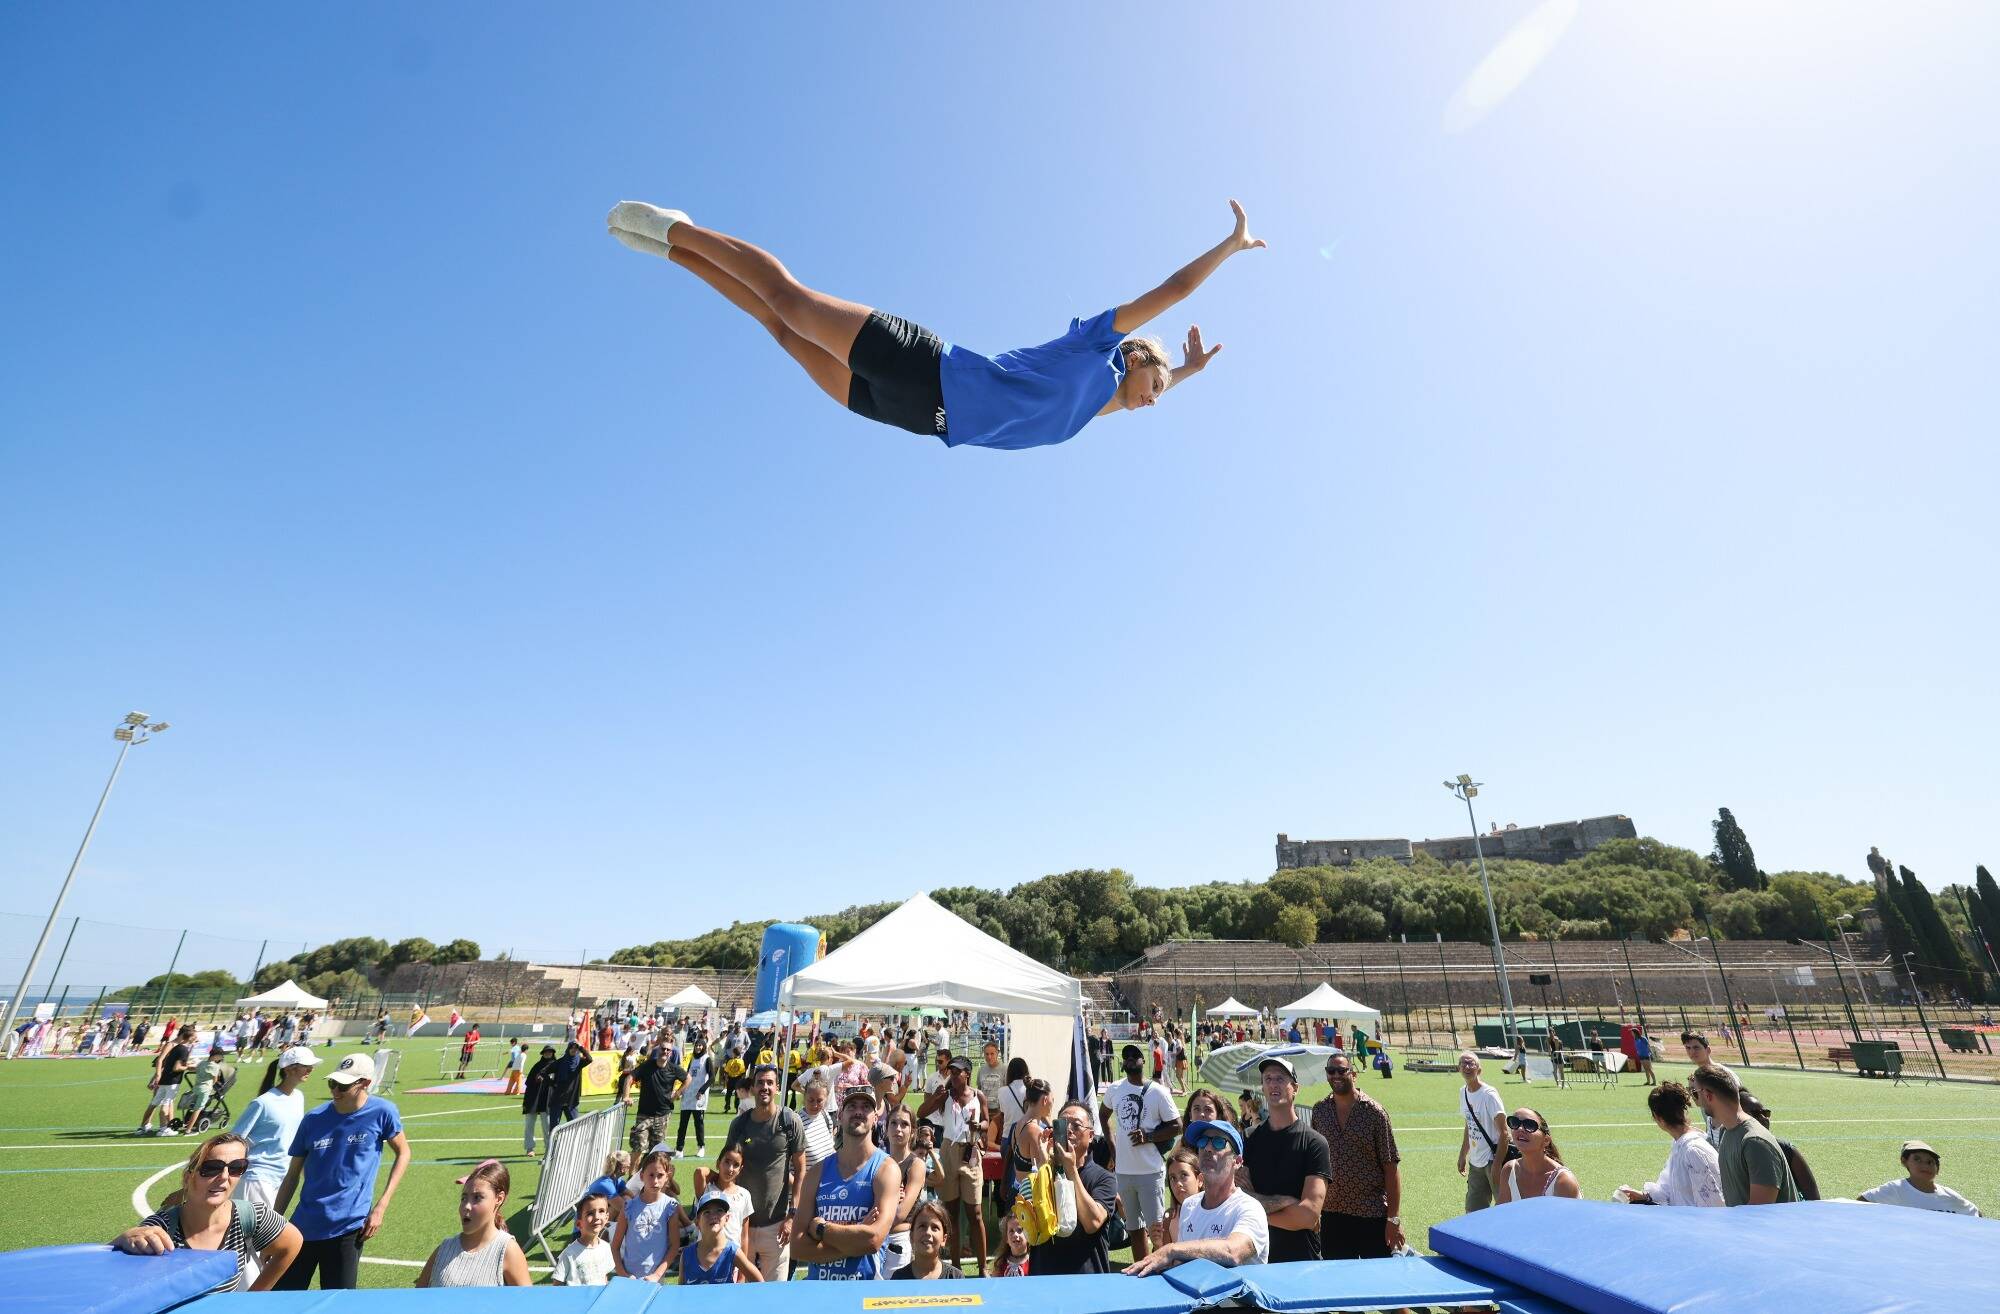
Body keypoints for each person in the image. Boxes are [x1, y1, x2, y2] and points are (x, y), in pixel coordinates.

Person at [605, 199, 1265, 453]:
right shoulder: (1098, 347)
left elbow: (1149, 392)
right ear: (1138, 355)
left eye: (1162, 394)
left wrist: (1191, 372)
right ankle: (682, 227)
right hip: (929, 366)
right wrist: (1228, 248)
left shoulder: (1098, 410)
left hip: (917, 418)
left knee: (780, 333)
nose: (1158, 395)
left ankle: (672, 252)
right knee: (790, 302)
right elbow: (1174, 290)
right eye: (1159, 377)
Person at [273, 1051, 410, 1290]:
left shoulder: (383, 1112)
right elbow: (292, 1176)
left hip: (348, 1227)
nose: (335, 1092)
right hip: (303, 1225)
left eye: (343, 1086)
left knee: (339, 1303)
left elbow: (404, 1153)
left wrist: (381, 1206)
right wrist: (274, 1225)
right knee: (284, 1299)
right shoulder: (313, 1119)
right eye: (332, 1084)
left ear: (365, 1084)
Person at [112, 1131, 302, 1293]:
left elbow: (292, 1243)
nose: (224, 1177)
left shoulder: (250, 1216)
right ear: (188, 1178)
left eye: (236, 1168)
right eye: (211, 1169)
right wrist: (120, 1241)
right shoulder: (161, 1228)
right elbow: (102, 1275)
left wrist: (252, 1297)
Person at [1124, 1120, 1269, 1274]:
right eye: (1203, 1141)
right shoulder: (1189, 1205)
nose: (1207, 1148)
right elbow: (1183, 1264)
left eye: (1219, 1142)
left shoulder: (1250, 1208)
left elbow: (1233, 1252)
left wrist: (1171, 1249)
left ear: (1237, 1161)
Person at [791, 1084, 903, 1280]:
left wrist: (821, 1229)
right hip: (821, 1290)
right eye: (851, 1107)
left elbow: (873, 1240)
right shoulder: (817, 1171)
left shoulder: (886, 1169)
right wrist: (855, 1240)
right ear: (840, 1117)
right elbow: (797, 1247)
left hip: (863, 1292)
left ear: (876, 1118)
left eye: (866, 1107)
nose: (858, 1112)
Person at [1310, 1050, 1404, 1259]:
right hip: (1333, 1214)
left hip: (1371, 1214)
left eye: (1341, 1070)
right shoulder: (1320, 1112)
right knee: (1339, 1283)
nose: (1335, 1075)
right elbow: (1315, 1166)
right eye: (1330, 1071)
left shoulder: (1374, 1113)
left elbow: (1391, 1168)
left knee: (1377, 1282)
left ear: (1353, 1074)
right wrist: (1313, 1209)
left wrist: (1393, 1219)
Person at [1237, 1056, 1330, 1261]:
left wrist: (1258, 1211)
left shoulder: (1314, 1143)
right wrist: (1287, 1202)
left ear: (1295, 1088)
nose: (1272, 1084)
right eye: (1267, 1079)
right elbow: (1240, 1197)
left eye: (1280, 1078)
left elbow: (1308, 1215)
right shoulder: (1250, 1140)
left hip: (1301, 1258)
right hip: (1257, 1256)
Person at [1100, 1043, 1183, 1262]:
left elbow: (1177, 1125)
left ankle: (1164, 1271)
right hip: (1124, 1172)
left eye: (1134, 1055)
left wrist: (1149, 1137)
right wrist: (1112, 1148)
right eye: (1125, 1056)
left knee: (1157, 1231)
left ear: (1143, 1061)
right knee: (1134, 1229)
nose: (1129, 1059)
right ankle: (1141, 1271)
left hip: (1150, 1171)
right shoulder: (1115, 1089)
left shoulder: (1158, 1092)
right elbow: (1103, 1116)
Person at [723, 1064, 805, 1283]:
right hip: (742, 1224)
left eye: (770, 1083)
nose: (765, 1087)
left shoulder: (789, 1121)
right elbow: (727, 1167)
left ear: (777, 1088)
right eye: (760, 1082)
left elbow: (801, 1169)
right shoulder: (739, 1124)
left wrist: (792, 1215)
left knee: (775, 1296)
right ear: (753, 1088)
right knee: (740, 1294)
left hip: (777, 1225)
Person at [918, 1054, 989, 1274]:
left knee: (975, 1213)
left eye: (958, 1071)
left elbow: (988, 1122)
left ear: (968, 1073)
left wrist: (980, 1125)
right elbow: (921, 1113)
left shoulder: (978, 1096)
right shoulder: (946, 1095)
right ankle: (956, 1267)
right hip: (949, 1150)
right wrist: (935, 1098)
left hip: (971, 1151)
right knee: (951, 1214)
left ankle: (983, 1267)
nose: (954, 1075)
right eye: (952, 1071)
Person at [231, 1046, 320, 1216]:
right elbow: (234, 1139)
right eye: (306, 1065)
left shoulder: (298, 1097)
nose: (311, 1069)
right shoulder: (263, 1102)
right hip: (257, 1178)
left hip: (282, 1177)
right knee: (253, 1237)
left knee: (268, 1237)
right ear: (289, 1069)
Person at [416, 1160, 531, 1287]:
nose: (466, 1206)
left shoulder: (507, 1250)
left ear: (499, 1199)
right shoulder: (444, 1249)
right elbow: (417, 1300)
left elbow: (528, 1304)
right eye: (464, 1198)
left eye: (477, 1198)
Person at [1689, 1067, 1796, 1206]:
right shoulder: (1726, 1131)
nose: (1695, 1100)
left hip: (1761, 1227)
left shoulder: (1754, 1142)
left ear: (1708, 1095)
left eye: (1695, 1093)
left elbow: (1760, 1211)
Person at [1617, 1081, 1723, 1207]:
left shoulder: (1693, 1150)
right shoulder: (1680, 1143)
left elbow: (1713, 1204)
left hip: (1694, 1224)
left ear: (1658, 1118)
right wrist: (1644, 1195)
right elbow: (1669, 1187)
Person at [612, 1149, 684, 1282]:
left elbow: (674, 1245)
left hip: (656, 1280)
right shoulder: (629, 1207)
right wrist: (623, 1274)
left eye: (660, 1175)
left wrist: (657, 1275)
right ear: (641, 1176)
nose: (655, 1181)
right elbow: (615, 1246)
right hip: (629, 1278)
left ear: (667, 1177)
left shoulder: (670, 1206)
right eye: (651, 1175)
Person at [1858, 1140, 1982, 1215]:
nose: (1925, 1165)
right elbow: (1859, 1203)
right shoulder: (1895, 1189)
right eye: (1917, 1159)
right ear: (1904, 1161)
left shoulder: (1949, 1195)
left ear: (1937, 1170)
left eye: (1930, 1162)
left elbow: (1976, 1214)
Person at [1740, 1091, 1821, 1201]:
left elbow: (1814, 1199)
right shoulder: (1730, 1148)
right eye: (1755, 1113)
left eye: (1765, 1113)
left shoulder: (1787, 1150)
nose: (1764, 1118)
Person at [1455, 1051, 1509, 1213]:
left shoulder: (1489, 1095)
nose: (1467, 1066)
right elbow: (1469, 1125)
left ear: (1479, 1069)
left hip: (1493, 1160)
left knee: (1504, 1208)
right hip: (1475, 1162)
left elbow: (1504, 1132)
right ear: (1459, 1069)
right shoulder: (1462, 1092)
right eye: (1463, 1063)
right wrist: (1463, 1154)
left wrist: (1497, 1164)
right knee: (1473, 1211)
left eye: (1471, 1063)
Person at [882, 1104, 930, 1276]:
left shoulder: (916, 1164)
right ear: (886, 1128)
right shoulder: (878, 1162)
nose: (898, 1129)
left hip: (898, 1239)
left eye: (904, 1124)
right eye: (893, 1123)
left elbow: (901, 1213)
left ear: (913, 1131)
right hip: (875, 1238)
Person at [1494, 1108, 1580, 1203]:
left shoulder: (1563, 1181)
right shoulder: (1509, 1170)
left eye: (1530, 1125)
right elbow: (1501, 1215)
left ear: (1546, 1140)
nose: (1520, 1129)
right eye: (1514, 1123)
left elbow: (1570, 1217)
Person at [680, 1188, 763, 1283]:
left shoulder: (732, 1252)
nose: (713, 1216)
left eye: (719, 1211)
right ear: (697, 1221)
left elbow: (760, 1283)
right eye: (707, 1212)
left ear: (727, 1218)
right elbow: (680, 1293)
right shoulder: (687, 1254)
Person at [625, 1039, 683, 1157]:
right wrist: (626, 1096)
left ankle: (647, 1173)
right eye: (663, 1049)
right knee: (638, 1147)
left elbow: (688, 1079)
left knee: (656, 1153)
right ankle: (632, 1175)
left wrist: (677, 1093)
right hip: (644, 1115)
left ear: (670, 1053)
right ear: (658, 1050)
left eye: (668, 1050)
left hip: (662, 1116)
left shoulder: (673, 1068)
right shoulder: (647, 1065)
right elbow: (629, 1077)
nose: (665, 1051)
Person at [1680, 1031, 1741, 1143]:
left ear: (1708, 1050)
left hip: (1731, 1132)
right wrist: (1693, 1090)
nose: (1692, 1051)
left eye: (1696, 1047)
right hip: (1713, 1131)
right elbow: (1701, 1104)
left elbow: (1739, 1102)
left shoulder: (1723, 1074)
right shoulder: (1696, 1076)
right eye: (1688, 1048)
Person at [138, 1027, 194, 1136]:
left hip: (167, 1076)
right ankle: (147, 1126)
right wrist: (156, 1076)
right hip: (164, 1077)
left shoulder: (182, 1047)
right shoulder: (171, 1044)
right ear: (184, 1035)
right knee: (159, 1102)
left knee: (167, 1102)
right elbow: (160, 1061)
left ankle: (168, 1125)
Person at [552, 1192, 616, 1286]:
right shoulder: (569, 1254)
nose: (597, 1217)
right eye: (590, 1213)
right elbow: (556, 1286)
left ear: (607, 1217)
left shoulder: (606, 1247)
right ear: (579, 1224)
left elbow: (604, 1277)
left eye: (601, 1211)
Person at [890, 1201, 963, 1281]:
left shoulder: (955, 1278)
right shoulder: (899, 1278)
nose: (928, 1232)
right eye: (922, 1226)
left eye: (935, 1228)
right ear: (911, 1236)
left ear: (944, 1239)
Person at [676, 1040, 712, 1156]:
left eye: (700, 1045)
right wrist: (681, 1090)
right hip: (688, 1094)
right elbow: (687, 1076)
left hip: (699, 1096)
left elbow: (712, 1078)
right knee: (683, 1124)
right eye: (696, 1045)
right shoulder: (692, 1058)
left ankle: (701, 1147)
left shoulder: (707, 1058)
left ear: (704, 1047)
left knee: (698, 1123)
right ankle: (679, 1149)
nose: (698, 1047)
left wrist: (702, 1090)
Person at [521, 1044, 558, 1156]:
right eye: (546, 1052)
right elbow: (528, 1084)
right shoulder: (537, 1066)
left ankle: (549, 1148)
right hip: (533, 1100)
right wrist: (526, 1102)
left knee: (547, 1126)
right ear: (543, 1053)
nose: (548, 1053)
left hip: (547, 1101)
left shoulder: (556, 1067)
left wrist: (546, 1079)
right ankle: (529, 1148)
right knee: (529, 1125)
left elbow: (557, 1084)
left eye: (550, 1052)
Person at [1164, 1147, 1202, 1241]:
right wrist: (1157, 1244)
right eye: (1173, 1178)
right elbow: (1165, 1253)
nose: (1178, 1184)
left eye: (1184, 1175)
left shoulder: (1213, 1212)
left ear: (1200, 1180)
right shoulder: (1170, 1218)